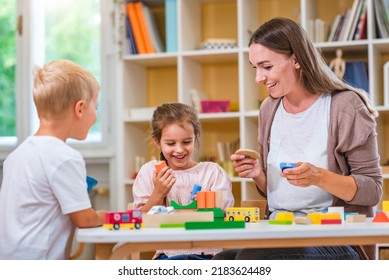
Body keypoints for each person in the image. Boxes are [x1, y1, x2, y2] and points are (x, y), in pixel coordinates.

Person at [213, 17, 382, 260]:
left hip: (335, 238)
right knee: (221, 262)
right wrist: (258, 174)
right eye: (255, 68)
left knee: (251, 261)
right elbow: (277, 194)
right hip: (279, 231)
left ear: (296, 60)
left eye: (267, 67)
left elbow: (372, 190)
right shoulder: (269, 110)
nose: (258, 78)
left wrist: (319, 177)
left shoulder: (345, 106)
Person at [0, 60, 106, 259]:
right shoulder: (65, 158)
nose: (96, 115)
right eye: (96, 107)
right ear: (80, 109)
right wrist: (105, 216)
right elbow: (84, 219)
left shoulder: (16, 156)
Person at [133, 102, 235, 260]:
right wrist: (158, 194)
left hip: (209, 256)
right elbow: (140, 221)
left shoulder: (212, 172)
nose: (179, 150)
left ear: (195, 138)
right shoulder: (149, 172)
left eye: (186, 142)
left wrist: (206, 207)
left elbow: (226, 217)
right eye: (171, 143)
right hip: (168, 256)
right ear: (157, 141)